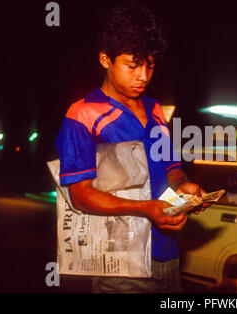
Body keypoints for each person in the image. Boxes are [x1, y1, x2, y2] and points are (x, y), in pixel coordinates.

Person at [55, 2, 209, 293]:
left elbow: (171, 168)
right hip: (121, 264)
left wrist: (183, 187)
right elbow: (81, 195)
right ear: (105, 59)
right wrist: (146, 209)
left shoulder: (155, 110)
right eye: (133, 65)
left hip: (169, 255)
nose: (144, 76)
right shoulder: (82, 115)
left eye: (150, 66)